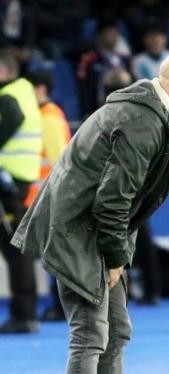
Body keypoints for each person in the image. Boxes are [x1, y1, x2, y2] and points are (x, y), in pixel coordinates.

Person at [11, 46, 169, 373]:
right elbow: (113, 200)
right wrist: (115, 257)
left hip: (89, 230)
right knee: (91, 334)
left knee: (115, 331)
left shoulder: (150, 115)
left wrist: (115, 253)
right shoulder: (142, 121)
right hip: (78, 232)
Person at [24, 69, 72, 322]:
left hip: (50, 196)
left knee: (56, 256)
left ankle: (61, 306)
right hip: (43, 196)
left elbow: (59, 161)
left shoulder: (49, 118)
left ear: (41, 89)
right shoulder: (45, 116)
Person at [0, 50, 42, 334]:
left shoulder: (8, 96)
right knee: (16, 246)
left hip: (8, 180)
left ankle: (23, 314)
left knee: (14, 248)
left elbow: (12, 119)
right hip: (21, 177)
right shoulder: (25, 90)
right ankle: (24, 311)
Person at [77, 18, 132, 118]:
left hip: (124, 111)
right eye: (109, 32)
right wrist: (87, 112)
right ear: (100, 36)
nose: (112, 36)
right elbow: (84, 88)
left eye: (115, 32)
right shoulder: (89, 60)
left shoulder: (125, 60)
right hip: (98, 111)